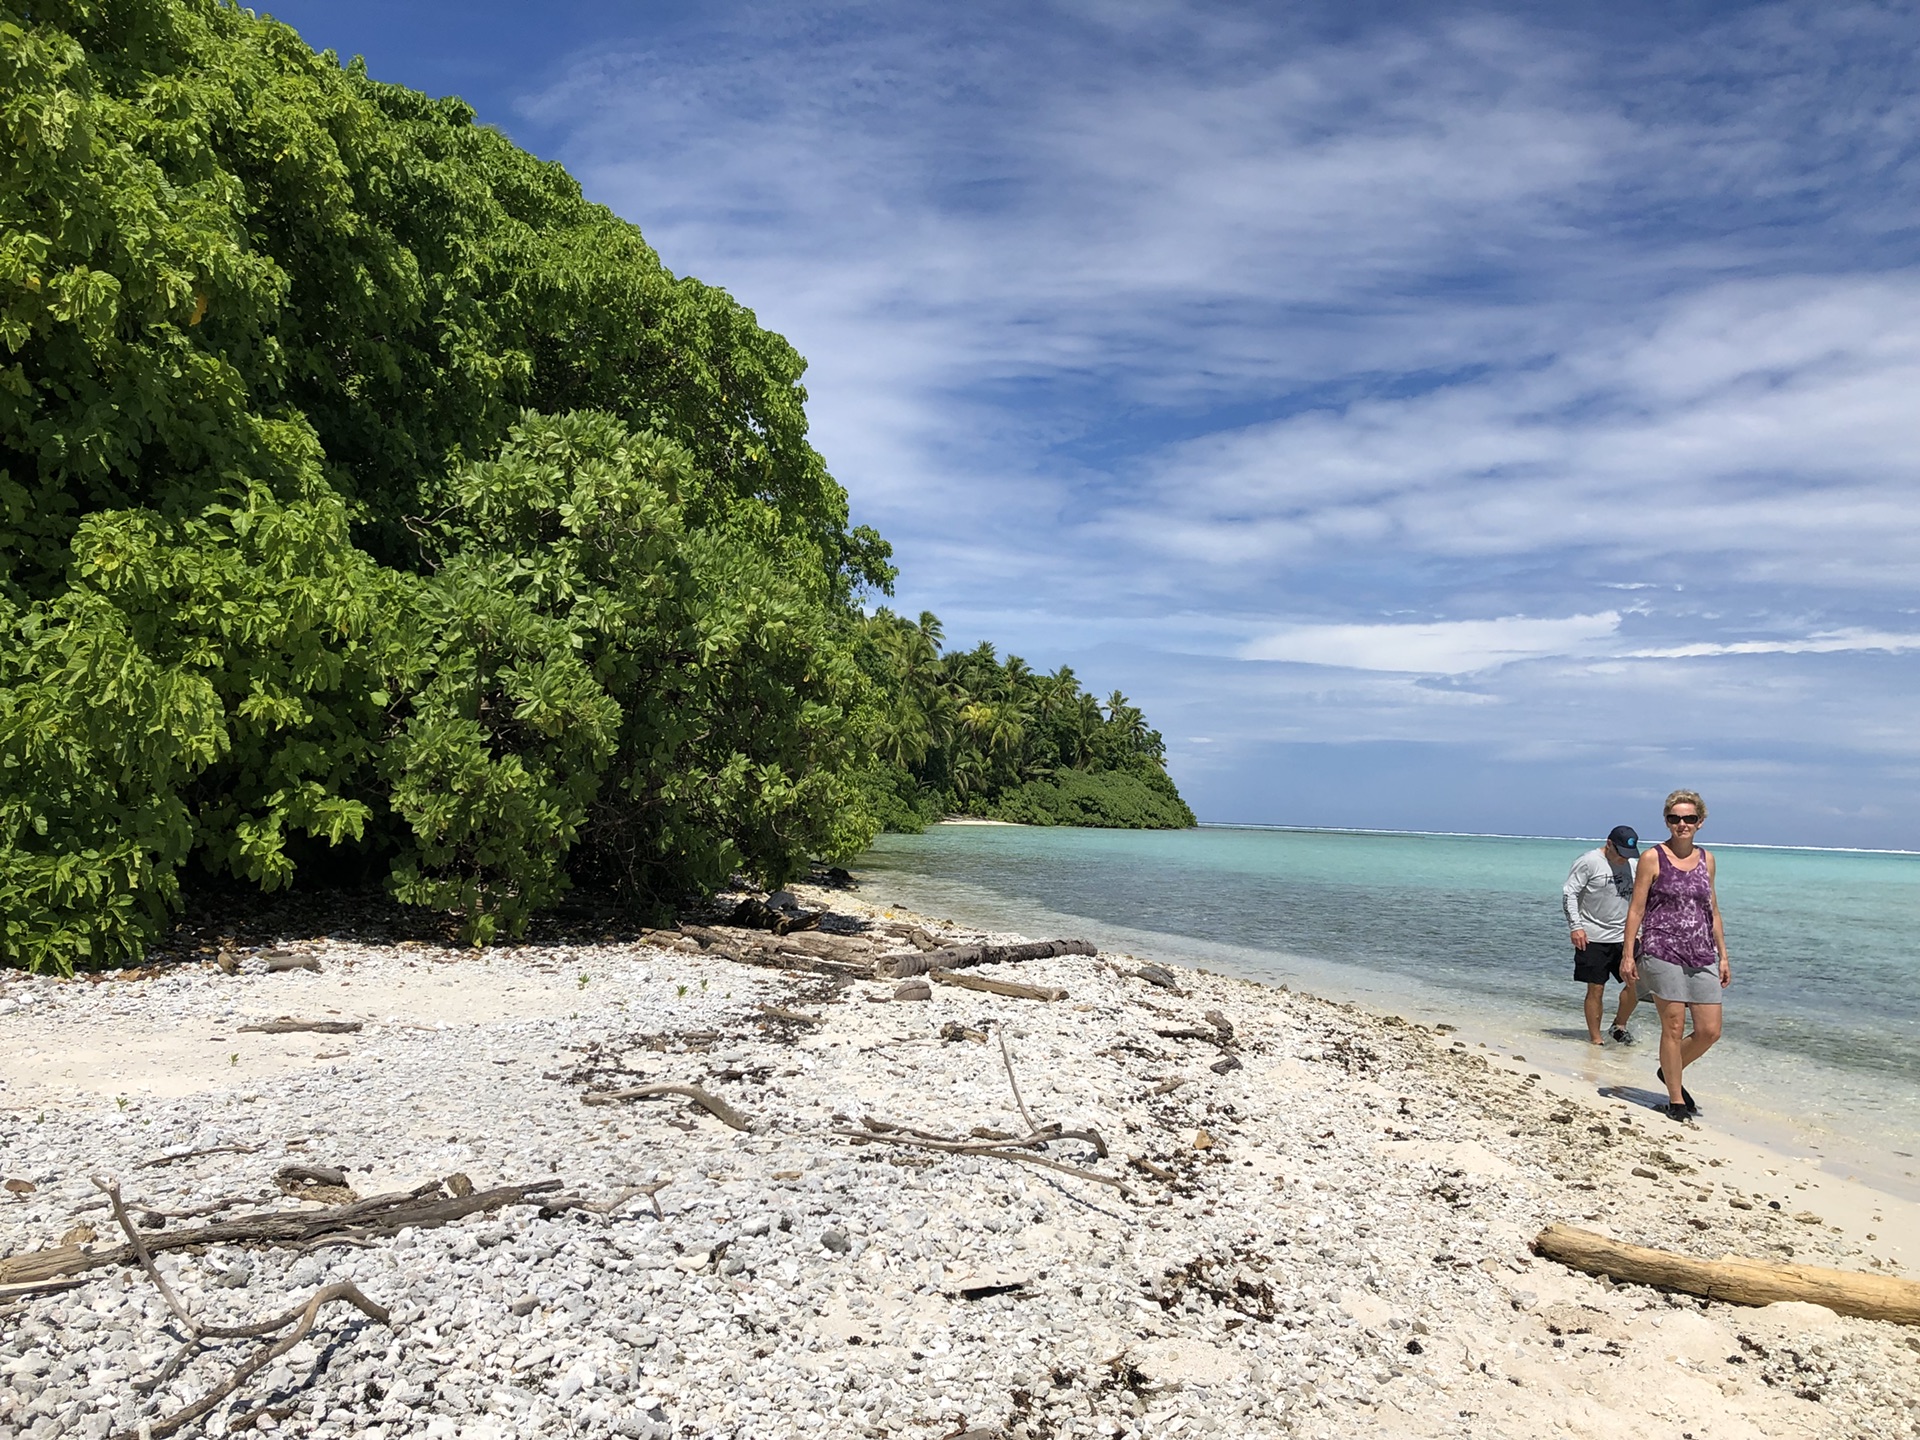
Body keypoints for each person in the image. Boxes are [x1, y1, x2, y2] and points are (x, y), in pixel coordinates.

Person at [1621, 790, 1729, 1122]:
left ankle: (1669, 1070)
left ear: (1700, 822)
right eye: (1675, 818)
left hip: (1701, 952)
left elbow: (1712, 909)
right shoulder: (1654, 858)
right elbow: (1636, 909)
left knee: (1710, 1030)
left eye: (1689, 818)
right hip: (1661, 948)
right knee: (1673, 1025)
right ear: (1667, 821)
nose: (1682, 824)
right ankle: (1675, 1099)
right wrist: (1628, 954)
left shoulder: (1707, 859)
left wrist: (1723, 956)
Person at [1562, 825, 1642, 1045]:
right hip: (1592, 936)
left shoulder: (1634, 865)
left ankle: (1619, 1025)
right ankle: (1596, 1040)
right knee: (1596, 988)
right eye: (1620, 854)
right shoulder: (1589, 862)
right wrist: (1575, 926)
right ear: (1609, 844)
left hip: (1625, 936)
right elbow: (1569, 893)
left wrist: (1641, 930)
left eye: (1628, 855)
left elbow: (1640, 901)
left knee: (1638, 982)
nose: (1623, 860)